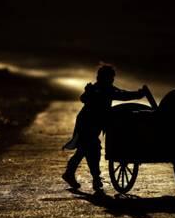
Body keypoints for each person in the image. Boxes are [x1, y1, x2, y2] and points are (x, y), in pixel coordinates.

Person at [61, 64, 146, 192]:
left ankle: (71, 174)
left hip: (92, 124)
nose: (112, 80)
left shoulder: (105, 88)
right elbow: (85, 98)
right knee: (93, 150)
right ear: (104, 78)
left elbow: (121, 93)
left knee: (84, 150)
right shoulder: (99, 89)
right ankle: (95, 178)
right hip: (86, 123)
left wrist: (138, 94)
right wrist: (138, 94)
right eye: (111, 78)